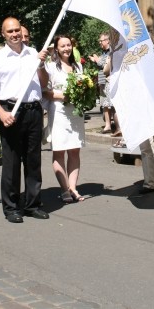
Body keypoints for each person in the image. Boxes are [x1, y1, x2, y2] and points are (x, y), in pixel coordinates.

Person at [0, 17, 49, 224]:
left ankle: (32, 204)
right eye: (10, 31)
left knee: (33, 161)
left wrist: (41, 65)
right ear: (3, 34)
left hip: (33, 111)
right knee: (11, 163)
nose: (15, 34)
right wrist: (1, 113)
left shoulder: (34, 54)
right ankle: (11, 207)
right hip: (10, 111)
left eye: (17, 30)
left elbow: (44, 84)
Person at [40, 35, 86, 203]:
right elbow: (44, 91)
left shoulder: (78, 66)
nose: (66, 48)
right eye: (63, 46)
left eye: (69, 45)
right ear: (57, 49)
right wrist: (62, 96)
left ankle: (73, 187)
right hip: (58, 112)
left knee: (75, 150)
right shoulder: (50, 67)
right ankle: (64, 189)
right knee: (59, 151)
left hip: (76, 113)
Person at [89, 32, 116, 134]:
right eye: (99, 41)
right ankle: (108, 125)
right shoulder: (104, 52)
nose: (100, 42)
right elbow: (101, 68)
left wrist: (96, 59)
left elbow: (105, 65)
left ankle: (116, 125)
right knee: (104, 103)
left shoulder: (111, 51)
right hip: (102, 80)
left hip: (110, 80)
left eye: (101, 40)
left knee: (111, 103)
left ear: (108, 40)